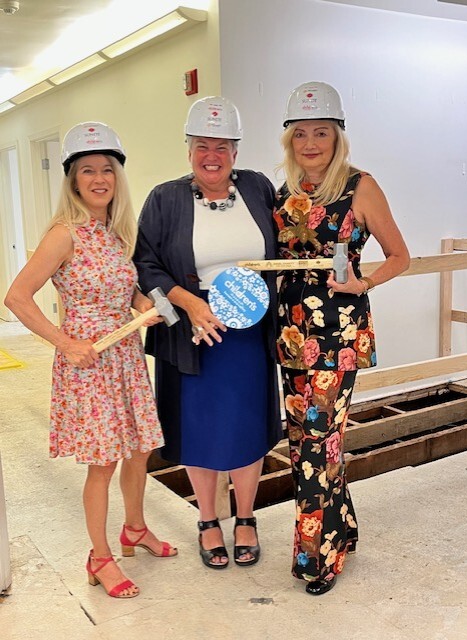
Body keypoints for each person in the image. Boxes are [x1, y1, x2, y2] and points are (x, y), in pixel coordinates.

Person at [4, 122, 177, 599]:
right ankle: (98, 557)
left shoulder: (116, 231)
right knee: (102, 464)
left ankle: (135, 529)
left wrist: (142, 304)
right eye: (88, 170)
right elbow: (16, 297)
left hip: (124, 355)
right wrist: (64, 342)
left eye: (108, 169)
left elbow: (127, 290)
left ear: (118, 176)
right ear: (73, 179)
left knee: (140, 448)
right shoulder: (65, 234)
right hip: (88, 362)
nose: (99, 178)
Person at [133, 96, 282, 570]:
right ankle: (207, 519)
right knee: (199, 429)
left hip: (249, 334)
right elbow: (146, 263)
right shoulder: (165, 198)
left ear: (236, 152)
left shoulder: (258, 188)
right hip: (195, 336)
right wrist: (191, 303)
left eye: (222, 146)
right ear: (188, 150)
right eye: (202, 145)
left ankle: (244, 517)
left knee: (247, 426)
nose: (211, 155)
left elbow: (287, 242)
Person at [273, 82, 410, 595]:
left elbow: (400, 254)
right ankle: (344, 530)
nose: (311, 142)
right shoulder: (280, 190)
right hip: (290, 334)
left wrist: (366, 281)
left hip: (338, 335)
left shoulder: (360, 187)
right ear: (290, 139)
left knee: (316, 444)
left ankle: (318, 559)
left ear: (338, 136)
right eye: (301, 133)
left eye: (322, 132)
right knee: (309, 443)